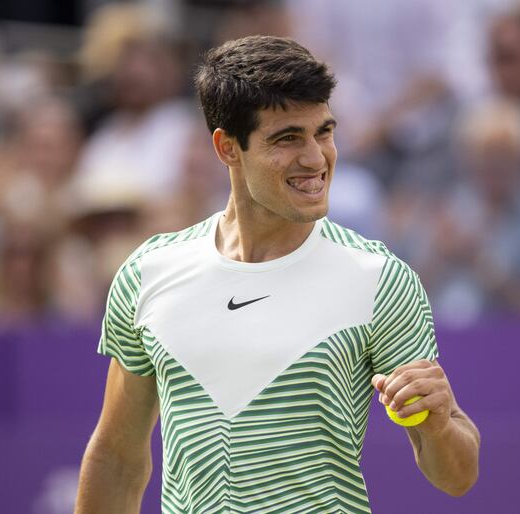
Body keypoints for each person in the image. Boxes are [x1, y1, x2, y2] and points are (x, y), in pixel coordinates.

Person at [75, 35, 480, 513]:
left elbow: (456, 476)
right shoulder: (150, 272)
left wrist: (436, 423)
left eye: (324, 132)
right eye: (288, 138)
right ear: (227, 148)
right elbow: (118, 459)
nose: (315, 158)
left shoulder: (379, 278)